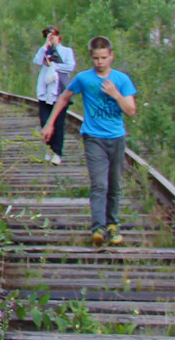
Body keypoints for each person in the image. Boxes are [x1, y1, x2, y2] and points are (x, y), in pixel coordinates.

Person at [41, 36, 138, 248]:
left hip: (116, 137)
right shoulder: (84, 79)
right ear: (91, 57)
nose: (100, 62)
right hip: (93, 137)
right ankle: (98, 228)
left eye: (104, 58)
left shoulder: (122, 80)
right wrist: (50, 124)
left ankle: (112, 224)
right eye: (96, 58)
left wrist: (115, 94)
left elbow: (131, 110)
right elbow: (64, 98)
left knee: (114, 184)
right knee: (99, 184)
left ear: (111, 56)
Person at [30, 26, 75, 164]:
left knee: (59, 123)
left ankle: (57, 152)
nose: (51, 38)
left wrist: (53, 66)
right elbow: (37, 61)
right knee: (45, 121)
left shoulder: (66, 51)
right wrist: (45, 46)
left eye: (53, 36)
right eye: (48, 36)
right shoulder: (45, 51)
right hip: (45, 91)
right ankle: (49, 149)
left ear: (59, 37)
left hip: (59, 91)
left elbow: (70, 67)